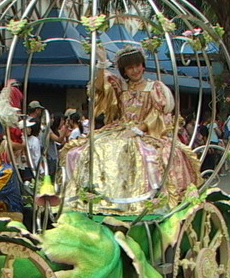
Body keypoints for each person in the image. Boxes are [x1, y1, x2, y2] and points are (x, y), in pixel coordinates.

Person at [62, 45, 201, 214]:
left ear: (143, 66)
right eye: (129, 67)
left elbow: (157, 115)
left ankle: (140, 200)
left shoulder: (155, 87)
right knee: (87, 148)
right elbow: (99, 87)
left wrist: (138, 130)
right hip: (119, 128)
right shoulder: (120, 87)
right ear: (124, 71)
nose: (135, 70)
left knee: (144, 154)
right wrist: (101, 62)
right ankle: (95, 196)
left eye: (137, 65)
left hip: (146, 131)